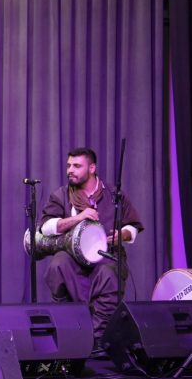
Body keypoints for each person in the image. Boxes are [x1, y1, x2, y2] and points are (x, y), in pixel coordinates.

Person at [39, 147, 143, 353]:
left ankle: (98, 339)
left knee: (109, 273)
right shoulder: (61, 195)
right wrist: (78, 218)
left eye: (77, 166)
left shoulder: (114, 196)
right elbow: (46, 227)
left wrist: (122, 235)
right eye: (69, 165)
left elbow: (133, 227)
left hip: (105, 255)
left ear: (92, 168)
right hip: (72, 256)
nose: (70, 170)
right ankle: (69, 331)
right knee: (58, 264)